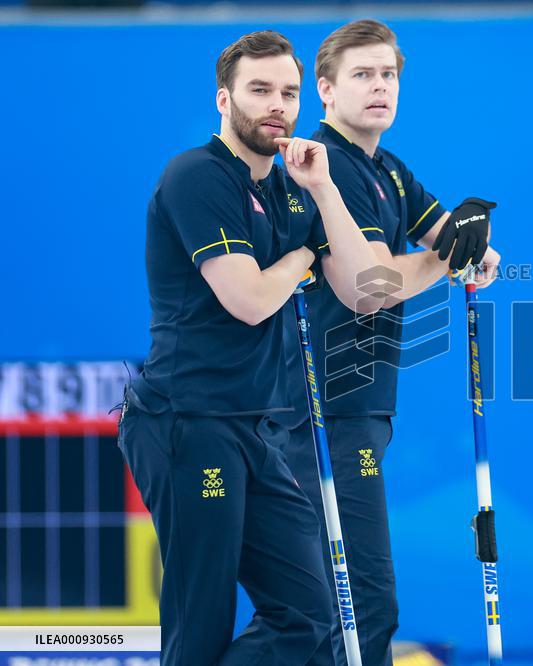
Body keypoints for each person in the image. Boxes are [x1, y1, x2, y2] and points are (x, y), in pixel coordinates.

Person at [117, 30, 385, 666]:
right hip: (188, 422)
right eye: (260, 90)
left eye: (289, 93)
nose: (277, 105)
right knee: (201, 621)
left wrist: (324, 191)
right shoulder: (196, 176)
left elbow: (363, 290)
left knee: (308, 614)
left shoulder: (294, 187)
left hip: (257, 428)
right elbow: (248, 299)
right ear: (223, 99)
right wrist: (299, 258)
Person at [279, 19, 502, 666]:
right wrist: (449, 259)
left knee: (346, 606)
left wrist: (474, 247)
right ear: (326, 89)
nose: (380, 87)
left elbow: (458, 247)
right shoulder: (333, 167)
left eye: (389, 75)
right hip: (323, 411)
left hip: (362, 407)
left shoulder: (388, 170)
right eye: (362, 75)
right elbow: (375, 284)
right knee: (361, 605)